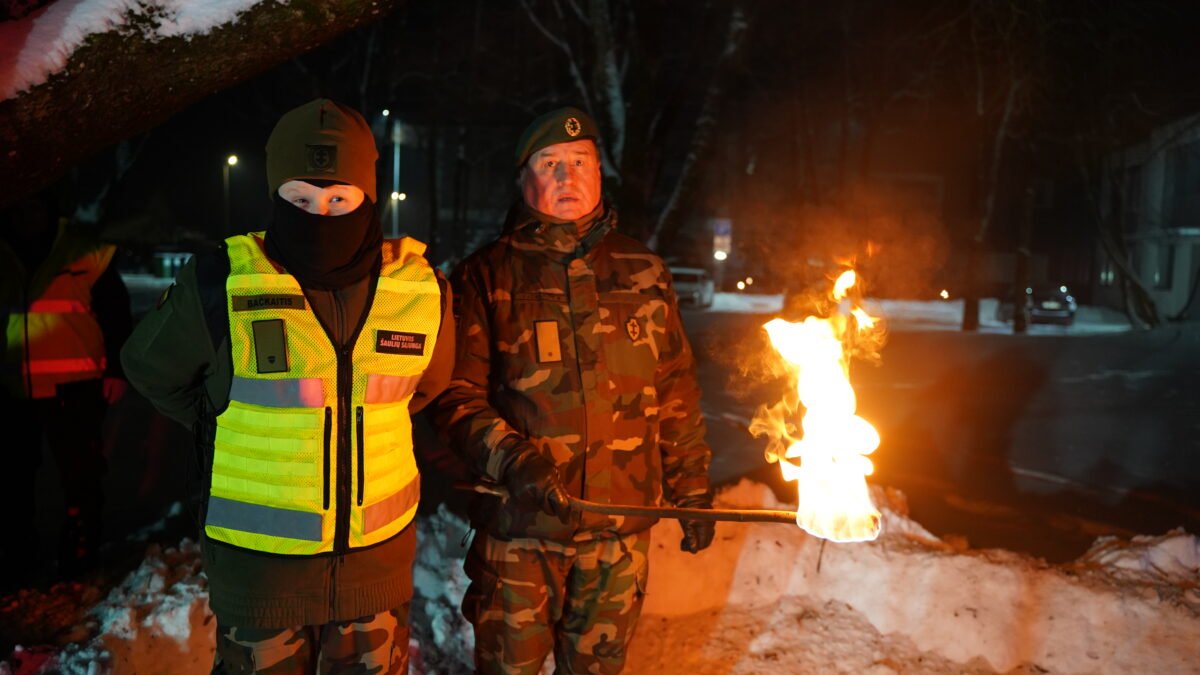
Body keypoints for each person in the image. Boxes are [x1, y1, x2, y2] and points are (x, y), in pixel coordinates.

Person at [121, 98, 453, 674]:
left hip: (373, 581)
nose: (320, 215)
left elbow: (426, 386)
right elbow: (151, 367)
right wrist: (222, 414)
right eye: (300, 199)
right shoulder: (223, 282)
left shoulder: (421, 292)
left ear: (368, 198)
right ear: (274, 195)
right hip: (260, 584)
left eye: (339, 199)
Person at [435, 107, 715, 674]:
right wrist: (516, 462)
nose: (568, 176)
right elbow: (455, 397)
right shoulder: (485, 277)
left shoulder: (644, 272)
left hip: (618, 537)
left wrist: (692, 490)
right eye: (551, 163)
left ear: (599, 174)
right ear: (524, 178)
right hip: (519, 534)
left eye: (581, 161)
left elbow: (675, 389)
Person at [0, 190, 132, 588]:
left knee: (81, 478)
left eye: (34, 204)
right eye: (20, 206)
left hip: (75, 388)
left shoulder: (84, 250)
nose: (26, 214)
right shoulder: (3, 251)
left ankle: (80, 559)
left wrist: (116, 370)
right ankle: (19, 557)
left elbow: (115, 311)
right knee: (14, 481)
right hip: (13, 390)